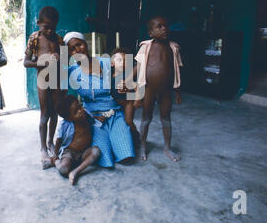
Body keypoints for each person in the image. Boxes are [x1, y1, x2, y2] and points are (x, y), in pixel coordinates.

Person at [63, 32, 135, 168]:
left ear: (86, 44)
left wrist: (128, 85)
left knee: (126, 156)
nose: (77, 50)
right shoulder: (72, 72)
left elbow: (133, 68)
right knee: (104, 159)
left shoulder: (107, 63)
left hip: (114, 113)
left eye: (79, 44)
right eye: (72, 49)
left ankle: (120, 136)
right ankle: (109, 140)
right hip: (93, 118)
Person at [135, 15, 183, 162]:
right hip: (149, 89)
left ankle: (167, 147)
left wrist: (178, 91)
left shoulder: (173, 48)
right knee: (146, 118)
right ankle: (142, 145)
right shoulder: (146, 47)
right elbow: (138, 66)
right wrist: (128, 80)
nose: (164, 29)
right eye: (159, 26)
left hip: (166, 91)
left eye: (166, 26)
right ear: (150, 33)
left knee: (166, 118)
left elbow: (178, 70)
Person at [24, 6, 64, 169]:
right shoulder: (34, 38)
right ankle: (42, 148)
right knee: (44, 115)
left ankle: (50, 142)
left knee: (55, 114)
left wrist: (59, 58)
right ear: (39, 23)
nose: (49, 31)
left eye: (52, 27)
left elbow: (65, 61)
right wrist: (42, 62)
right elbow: (26, 62)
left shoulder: (59, 40)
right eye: (46, 27)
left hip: (56, 80)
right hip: (42, 80)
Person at [51, 95, 101, 185]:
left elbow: (93, 119)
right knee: (63, 169)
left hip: (84, 152)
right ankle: (56, 162)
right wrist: (55, 154)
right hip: (70, 152)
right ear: (68, 118)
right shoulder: (65, 124)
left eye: (80, 107)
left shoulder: (86, 115)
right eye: (75, 112)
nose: (80, 111)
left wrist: (99, 119)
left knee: (96, 151)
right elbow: (59, 139)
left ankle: (75, 172)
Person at [110, 47, 140, 141]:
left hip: (128, 103)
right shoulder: (110, 76)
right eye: (119, 60)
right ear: (112, 63)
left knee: (128, 121)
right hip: (116, 104)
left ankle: (136, 136)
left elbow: (136, 87)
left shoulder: (127, 76)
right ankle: (127, 138)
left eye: (126, 61)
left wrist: (137, 100)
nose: (123, 63)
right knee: (120, 122)